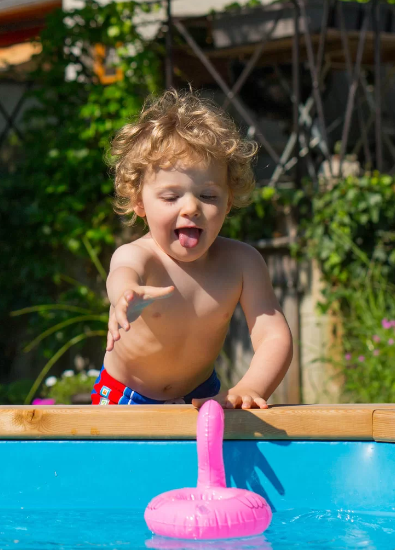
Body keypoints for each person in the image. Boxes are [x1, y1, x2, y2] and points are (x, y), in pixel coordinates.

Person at [92, 89, 292, 408]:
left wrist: (252, 387)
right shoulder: (140, 255)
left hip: (202, 395)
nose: (191, 208)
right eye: (171, 197)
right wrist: (125, 297)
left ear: (228, 201)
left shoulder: (242, 263)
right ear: (139, 201)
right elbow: (122, 276)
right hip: (126, 396)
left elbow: (274, 335)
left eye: (209, 196)